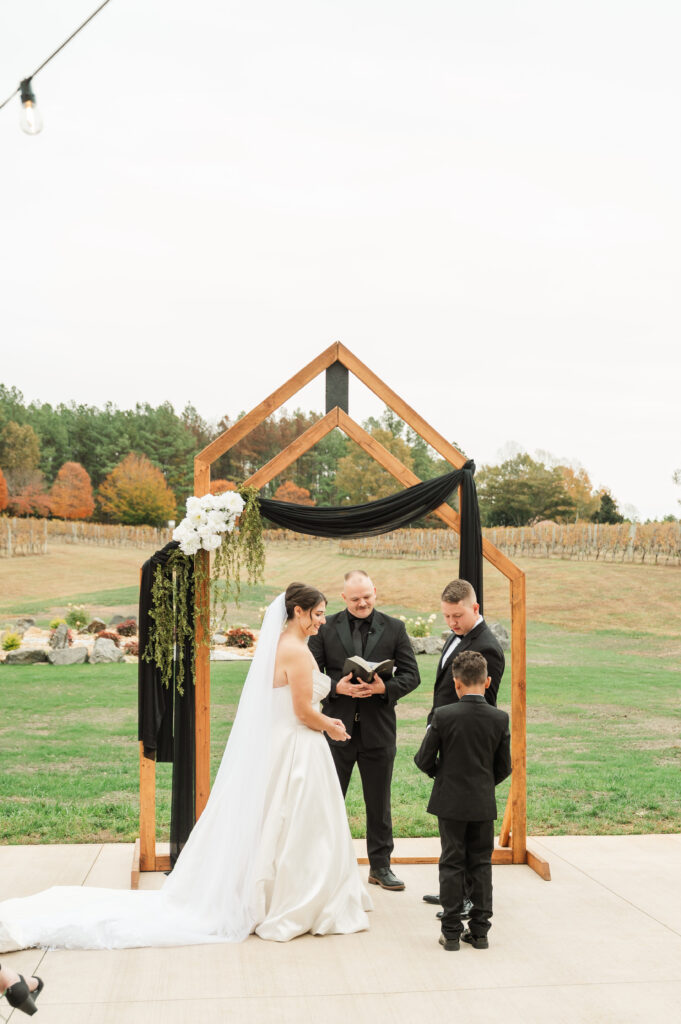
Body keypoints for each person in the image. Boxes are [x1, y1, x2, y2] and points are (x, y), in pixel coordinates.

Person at [0, 584, 371, 951]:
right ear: (298, 612)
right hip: (297, 748)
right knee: (299, 824)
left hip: (280, 744)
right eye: (318, 614)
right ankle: (295, 901)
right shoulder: (296, 651)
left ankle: (272, 894)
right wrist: (332, 727)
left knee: (274, 820)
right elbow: (303, 711)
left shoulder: (280, 646)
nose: (322, 621)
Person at [308, 569, 420, 892]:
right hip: (336, 728)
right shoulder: (325, 628)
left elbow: (412, 675)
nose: (362, 603)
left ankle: (380, 867)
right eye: (355, 598)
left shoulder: (395, 627)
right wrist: (337, 688)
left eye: (367, 597)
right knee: (330, 800)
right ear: (343, 598)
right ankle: (324, 866)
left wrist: (384, 688)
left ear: (375, 591)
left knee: (379, 802)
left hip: (378, 730)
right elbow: (311, 673)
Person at [415, 651, 511, 951]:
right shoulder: (499, 718)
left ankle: (452, 931)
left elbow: (423, 759)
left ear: (456, 684)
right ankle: (480, 931)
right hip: (482, 800)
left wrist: (442, 776)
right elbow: (504, 766)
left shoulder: (444, 716)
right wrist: (483, 784)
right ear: (488, 681)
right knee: (481, 863)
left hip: (451, 801)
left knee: (452, 861)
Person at [423, 577, 506, 912]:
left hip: (464, 744)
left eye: (457, 616)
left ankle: (467, 898)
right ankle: (454, 891)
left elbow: (483, 705)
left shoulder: (486, 645)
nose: (451, 622)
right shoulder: (460, 635)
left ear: (476, 608)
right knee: (453, 830)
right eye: (446, 616)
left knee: (464, 829)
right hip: (447, 733)